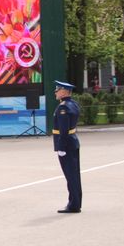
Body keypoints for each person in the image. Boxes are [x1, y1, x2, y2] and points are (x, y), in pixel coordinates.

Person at [53, 81, 82, 213]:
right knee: (74, 175)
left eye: (58, 90)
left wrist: (61, 147)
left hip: (67, 145)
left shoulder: (63, 108)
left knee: (70, 176)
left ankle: (73, 205)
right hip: (73, 142)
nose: (55, 92)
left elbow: (63, 131)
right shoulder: (73, 104)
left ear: (64, 91)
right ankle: (76, 202)